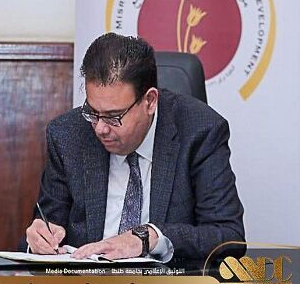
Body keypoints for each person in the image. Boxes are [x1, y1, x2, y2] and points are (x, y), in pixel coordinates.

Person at [25, 33, 244, 261]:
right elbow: (49, 225)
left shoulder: (200, 131)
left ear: (150, 101)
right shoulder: (67, 135)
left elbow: (229, 237)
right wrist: (40, 240)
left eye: (113, 116)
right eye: (92, 112)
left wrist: (150, 237)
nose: (100, 128)